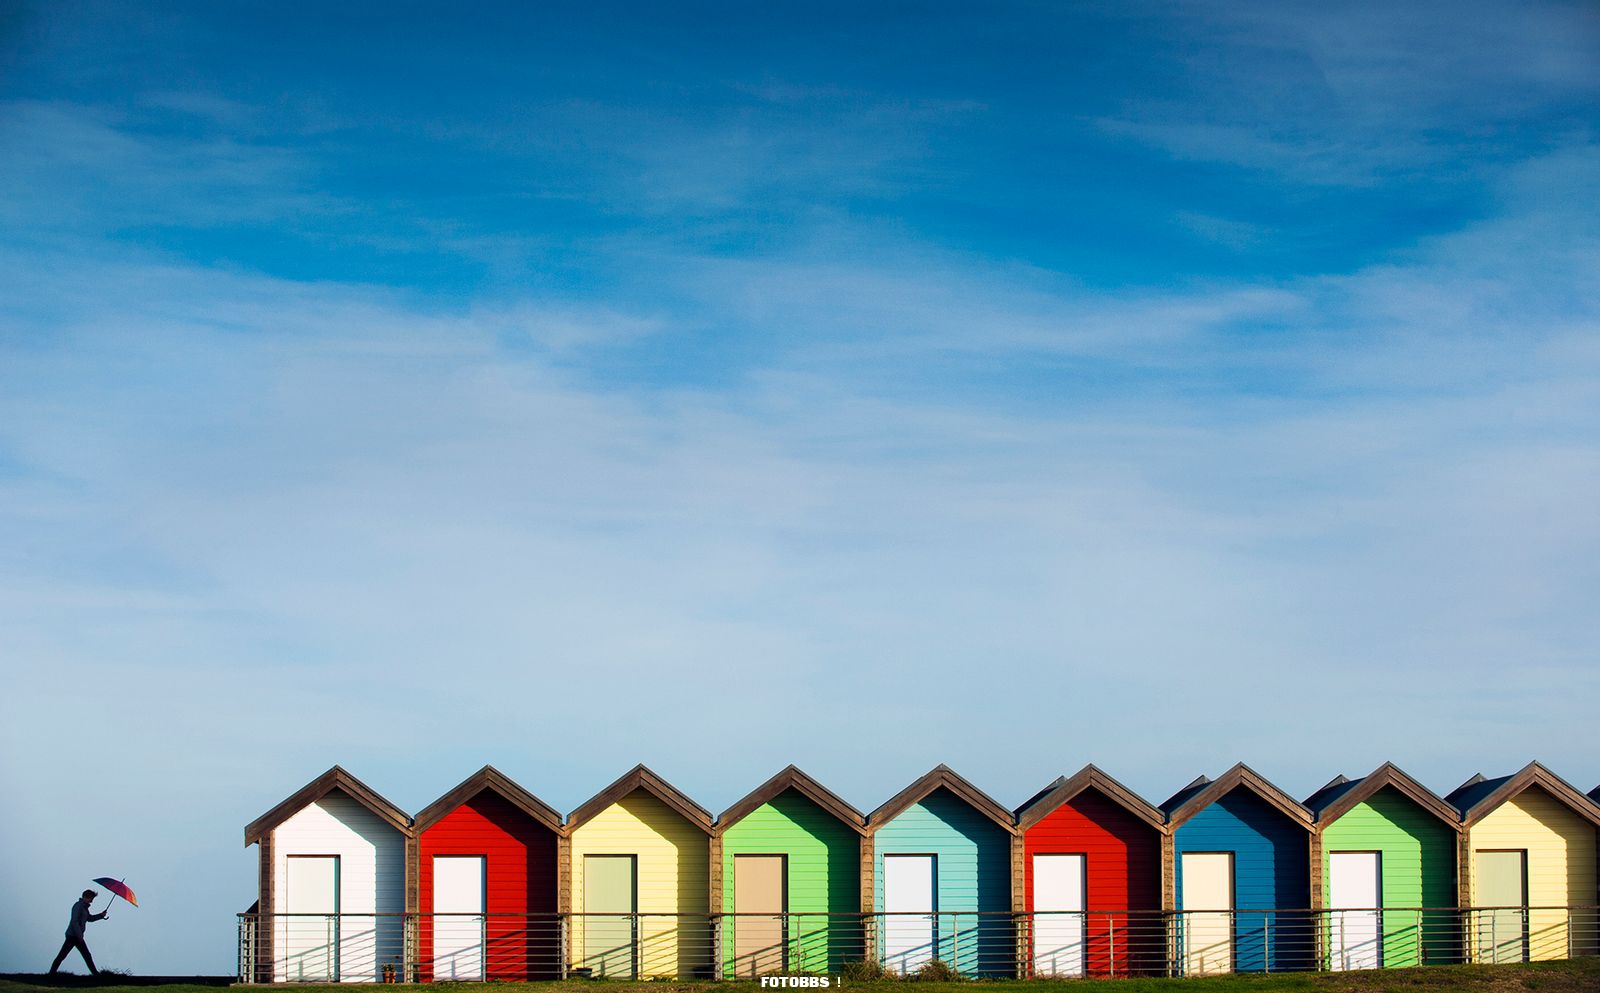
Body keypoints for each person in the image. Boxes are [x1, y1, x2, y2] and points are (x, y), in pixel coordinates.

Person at [49, 889, 108, 976]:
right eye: (91, 898)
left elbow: (89, 918)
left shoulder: (84, 908)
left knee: (86, 955)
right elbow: (74, 922)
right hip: (73, 936)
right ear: (85, 897)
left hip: (77, 936)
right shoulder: (78, 906)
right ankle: (51, 973)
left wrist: (100, 915)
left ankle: (95, 974)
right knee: (63, 955)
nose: (92, 901)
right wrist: (79, 936)